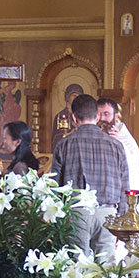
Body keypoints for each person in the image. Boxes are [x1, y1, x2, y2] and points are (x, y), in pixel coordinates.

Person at [51, 94, 129, 257]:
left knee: (78, 269)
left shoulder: (64, 144)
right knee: (105, 271)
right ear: (98, 115)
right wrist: (121, 220)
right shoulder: (116, 145)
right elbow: (124, 185)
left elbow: (55, 186)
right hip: (107, 214)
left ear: (74, 117)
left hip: (77, 214)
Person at [97, 98, 139, 214]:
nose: (102, 119)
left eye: (106, 114)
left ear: (115, 116)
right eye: (99, 114)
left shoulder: (124, 138)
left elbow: (134, 168)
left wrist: (119, 144)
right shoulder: (96, 134)